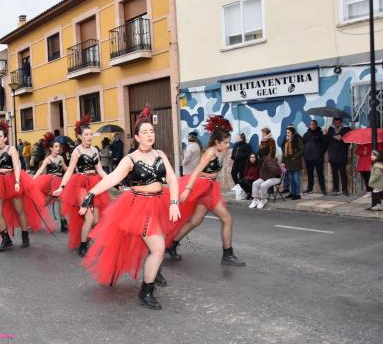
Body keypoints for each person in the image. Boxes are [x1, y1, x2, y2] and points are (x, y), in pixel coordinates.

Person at [81, 105, 180, 310]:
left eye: (151, 131)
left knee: (150, 245)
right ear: (136, 137)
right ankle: (146, 291)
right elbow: (111, 179)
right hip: (139, 206)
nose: (149, 134)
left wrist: (174, 201)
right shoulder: (130, 159)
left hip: (159, 203)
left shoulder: (160, 154)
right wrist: (91, 194)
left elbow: (171, 178)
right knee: (157, 247)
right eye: (144, 132)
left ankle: (152, 273)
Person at [166, 115, 245, 266]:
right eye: (226, 142)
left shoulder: (221, 151)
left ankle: (172, 245)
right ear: (217, 142)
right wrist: (188, 189)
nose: (228, 145)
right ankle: (227, 254)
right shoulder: (210, 152)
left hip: (209, 187)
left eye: (229, 142)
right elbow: (196, 171)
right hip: (203, 188)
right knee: (227, 219)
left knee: (195, 221)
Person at [0, 122, 55, 251]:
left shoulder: (11, 149)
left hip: (12, 179)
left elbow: (17, 166)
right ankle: (6, 239)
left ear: (5, 138)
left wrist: (17, 181)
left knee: (19, 210)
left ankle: (25, 235)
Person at [52, 115, 109, 256]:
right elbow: (69, 171)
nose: (89, 136)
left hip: (94, 184)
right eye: (86, 134)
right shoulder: (77, 151)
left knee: (96, 220)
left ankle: (86, 239)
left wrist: (114, 180)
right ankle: (82, 246)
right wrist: (62, 187)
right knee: (89, 217)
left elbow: (100, 170)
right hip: (81, 184)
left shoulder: (95, 150)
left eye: (91, 134)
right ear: (80, 136)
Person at [34, 134, 69, 233]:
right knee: (44, 203)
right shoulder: (48, 159)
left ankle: (63, 223)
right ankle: (33, 218)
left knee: (61, 201)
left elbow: (65, 169)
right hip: (50, 183)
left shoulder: (61, 158)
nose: (58, 148)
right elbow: (40, 170)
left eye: (59, 147)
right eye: (56, 147)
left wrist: (74, 168)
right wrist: (32, 180)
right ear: (51, 148)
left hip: (59, 182)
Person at [326, 117, 351, 196]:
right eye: (335, 122)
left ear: (341, 122)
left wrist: (341, 137)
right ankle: (335, 189)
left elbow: (348, 141)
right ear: (333, 122)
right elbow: (326, 141)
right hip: (332, 156)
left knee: (343, 174)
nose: (337, 124)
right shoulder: (330, 130)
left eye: (338, 122)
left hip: (342, 155)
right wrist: (325, 134)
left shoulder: (346, 129)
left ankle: (345, 190)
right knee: (334, 174)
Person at [302, 120, 327, 195]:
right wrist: (305, 154)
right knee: (310, 174)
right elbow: (303, 145)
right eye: (311, 124)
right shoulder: (306, 134)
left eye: (313, 124)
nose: (312, 126)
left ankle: (323, 189)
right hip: (308, 158)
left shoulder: (320, 134)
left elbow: (325, 145)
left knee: (320, 174)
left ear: (316, 125)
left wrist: (320, 153)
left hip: (317, 158)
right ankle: (309, 189)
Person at [281, 126, 304, 200]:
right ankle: (292, 193)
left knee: (296, 179)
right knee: (291, 179)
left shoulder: (297, 138)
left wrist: (295, 156)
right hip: (288, 162)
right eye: (286, 132)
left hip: (296, 162)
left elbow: (302, 149)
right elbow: (284, 152)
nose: (287, 134)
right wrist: (282, 161)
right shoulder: (286, 140)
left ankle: (297, 194)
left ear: (292, 132)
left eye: (289, 132)